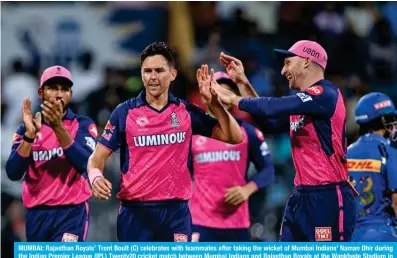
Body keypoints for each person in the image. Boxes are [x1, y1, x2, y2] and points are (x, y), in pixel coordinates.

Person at [87, 42, 243, 242]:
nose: (153, 77)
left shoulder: (186, 112)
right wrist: (95, 177)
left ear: (173, 74)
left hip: (175, 214)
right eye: (147, 71)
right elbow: (96, 158)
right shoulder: (124, 113)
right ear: (141, 75)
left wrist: (216, 106)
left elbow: (234, 137)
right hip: (135, 214)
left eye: (159, 70)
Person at [212, 40, 357, 242]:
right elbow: (268, 123)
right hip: (301, 197)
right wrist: (243, 83)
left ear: (307, 61)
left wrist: (234, 99)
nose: (282, 71)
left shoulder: (325, 93)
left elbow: (272, 106)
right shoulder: (303, 104)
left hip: (328, 196)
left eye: (288, 63)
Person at [5, 65, 98, 242]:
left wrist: (58, 128)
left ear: (70, 94)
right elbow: (13, 172)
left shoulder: (83, 125)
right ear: (41, 92)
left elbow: (85, 163)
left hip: (71, 214)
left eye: (64, 89)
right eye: (52, 88)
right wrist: (29, 137)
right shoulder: (27, 128)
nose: (59, 94)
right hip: (36, 215)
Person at [190, 72, 275, 242]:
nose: (221, 96)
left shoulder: (248, 132)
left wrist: (247, 189)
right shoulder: (192, 132)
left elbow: (268, 171)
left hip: (236, 224)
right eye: (217, 90)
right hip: (200, 222)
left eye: (226, 92)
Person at [347, 92, 397, 241]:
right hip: (384, 234)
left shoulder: (345, 153)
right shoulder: (390, 150)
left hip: (351, 236)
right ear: (382, 120)